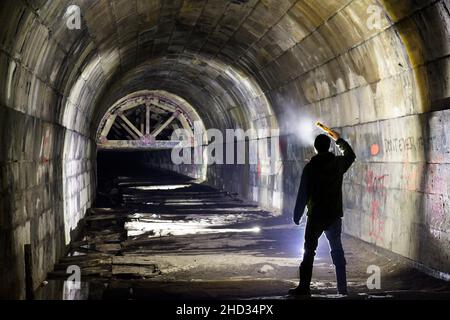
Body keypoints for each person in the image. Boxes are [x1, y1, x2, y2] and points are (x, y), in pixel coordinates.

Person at [289, 130, 356, 296]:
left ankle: (304, 287)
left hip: (316, 215)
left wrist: (297, 214)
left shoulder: (310, 168)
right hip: (333, 214)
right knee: (337, 249)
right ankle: (342, 288)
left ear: (315, 148)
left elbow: (303, 193)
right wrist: (339, 139)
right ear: (329, 146)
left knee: (309, 250)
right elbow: (351, 155)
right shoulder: (338, 164)